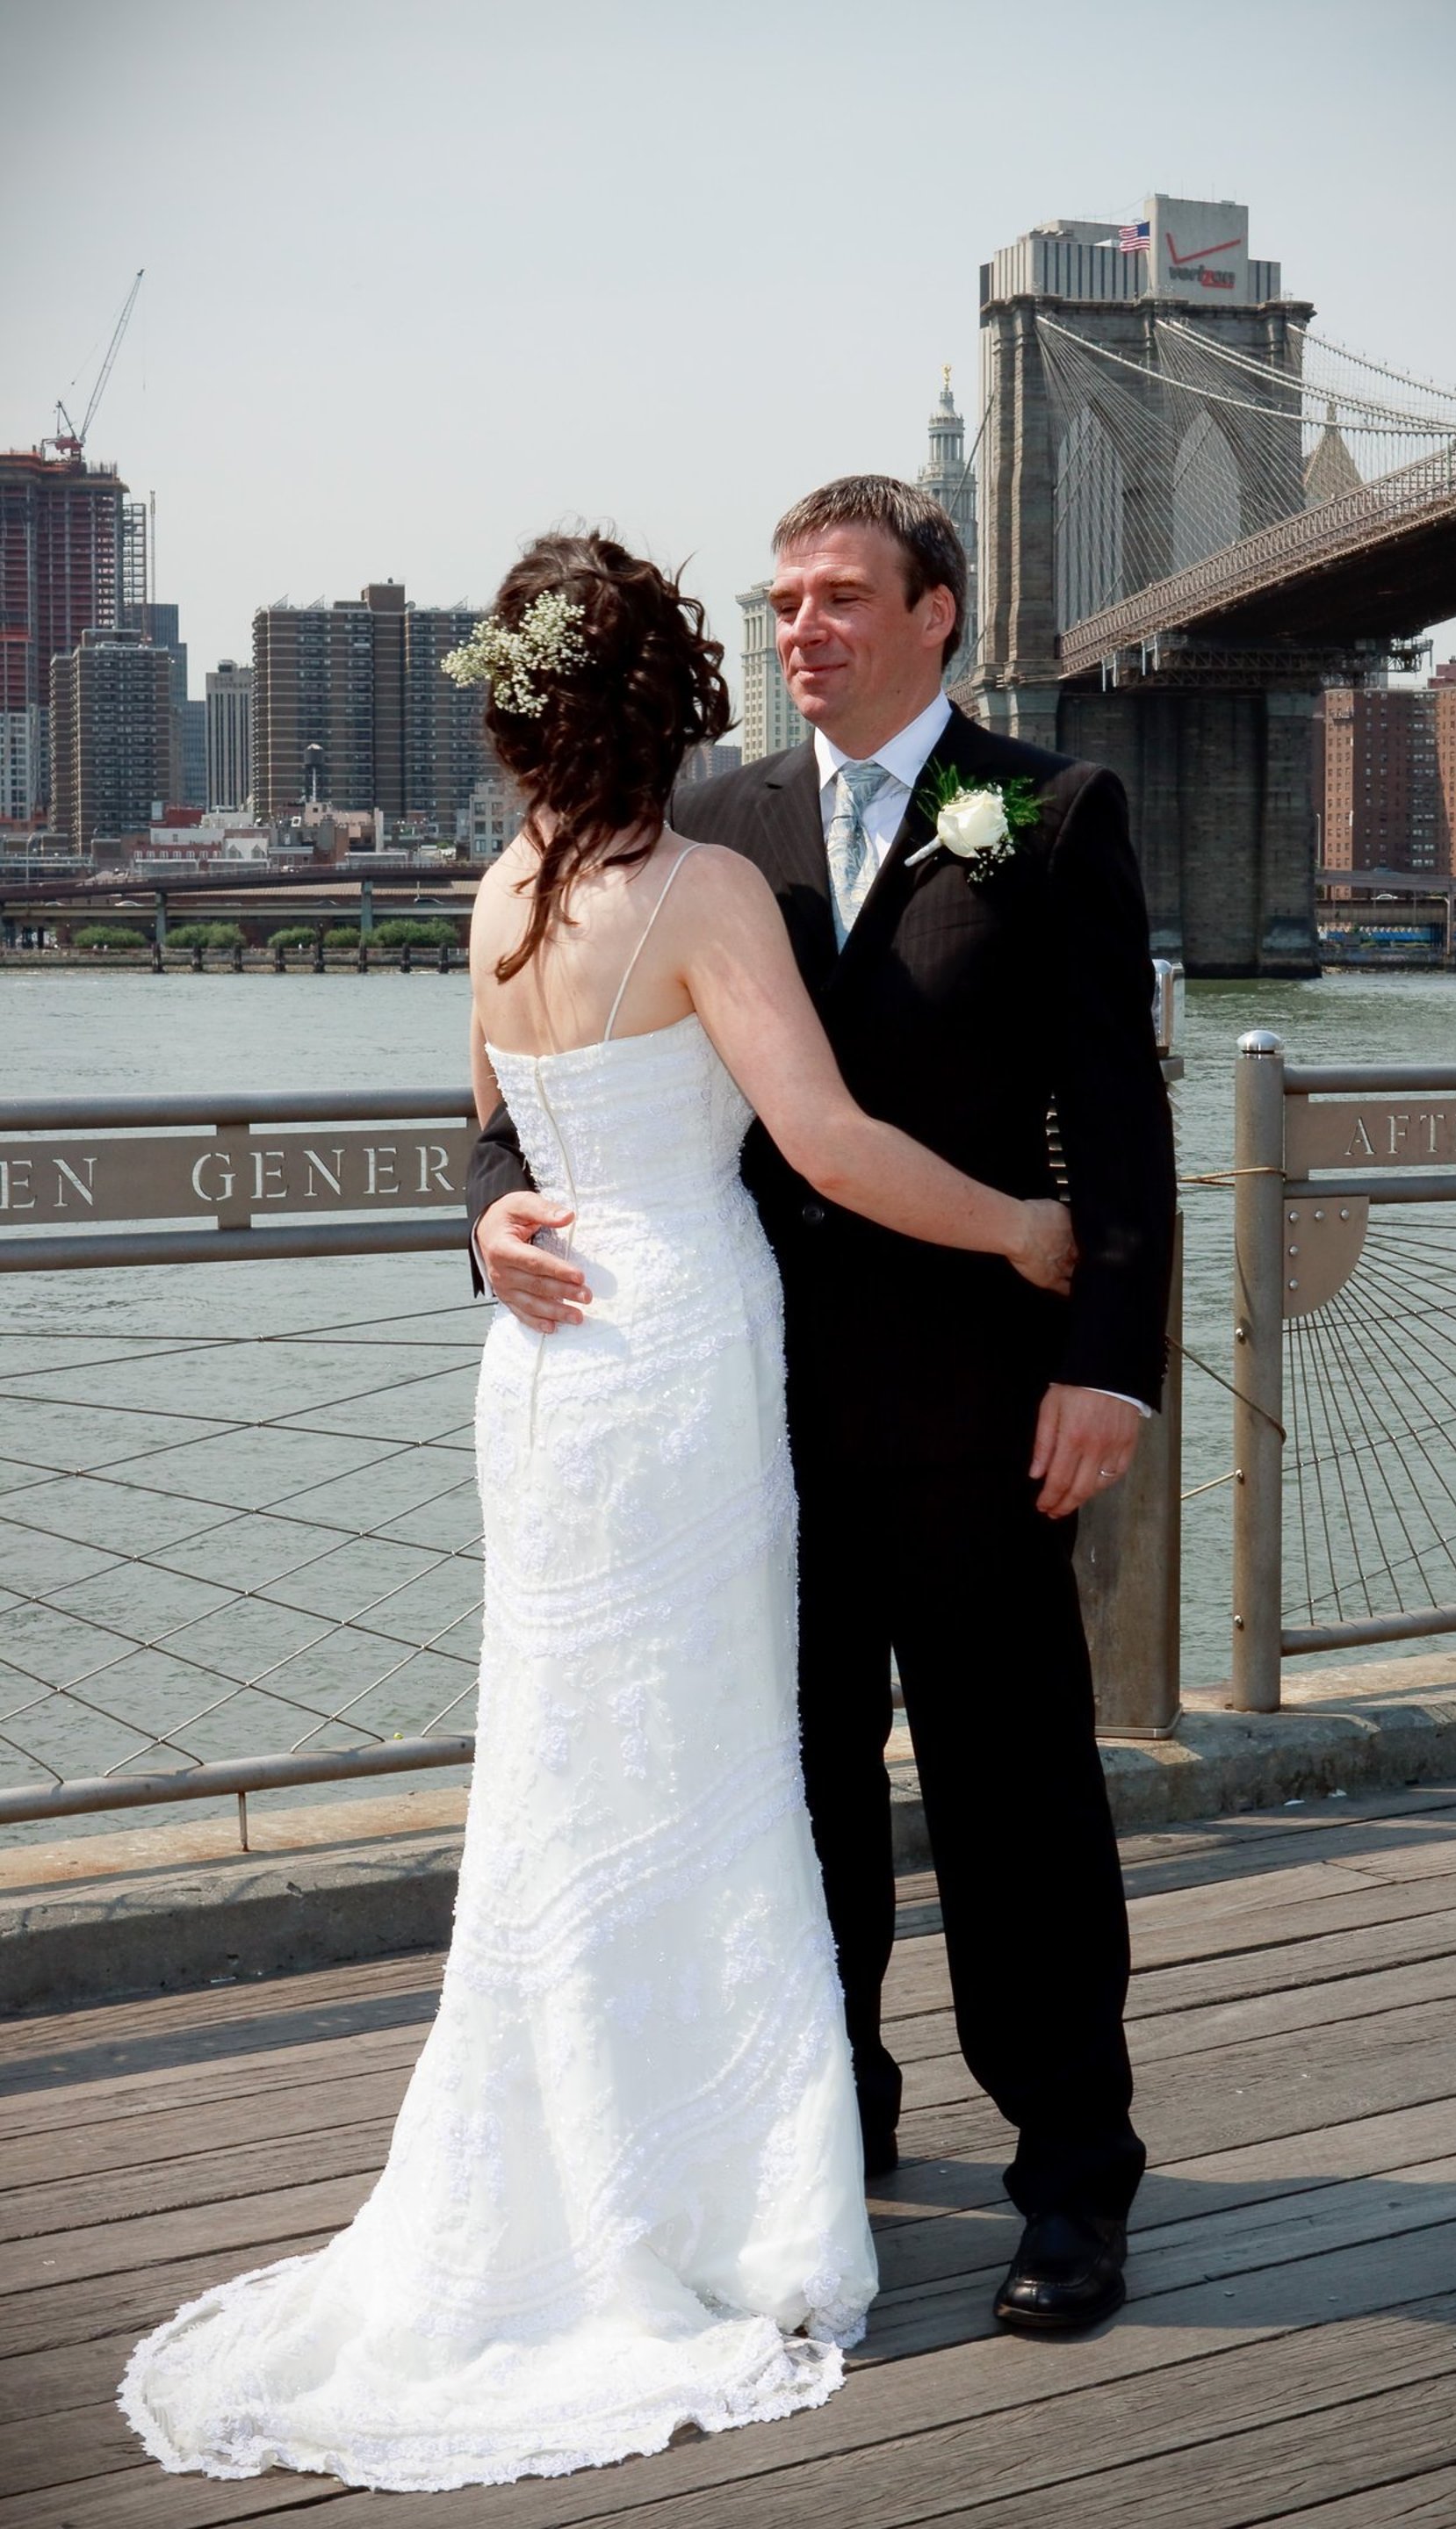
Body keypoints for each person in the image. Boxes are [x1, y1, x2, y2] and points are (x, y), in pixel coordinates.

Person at [119, 530, 1078, 2495]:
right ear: (668, 699)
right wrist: (1021, 1229)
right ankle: (718, 2183)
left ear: (519, 713)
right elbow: (826, 1143)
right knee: (706, 1759)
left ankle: (606, 2151)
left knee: (578, 1767)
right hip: (681, 1357)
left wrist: (492, 1221)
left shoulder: (494, 894)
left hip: (548, 1376)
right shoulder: (706, 887)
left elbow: (490, 1120)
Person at [473, 479, 1177, 2334]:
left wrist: (1109, 1360)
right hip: (736, 1425)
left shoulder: (1053, 814)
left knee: (1016, 1806)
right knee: (793, 1802)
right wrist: (488, 1209)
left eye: (844, 596)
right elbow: (540, 1080)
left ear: (939, 612)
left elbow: (1119, 1119)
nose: (805, 628)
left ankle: (1073, 2183)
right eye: (784, 601)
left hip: (980, 1417)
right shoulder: (712, 828)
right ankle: (832, 2129)